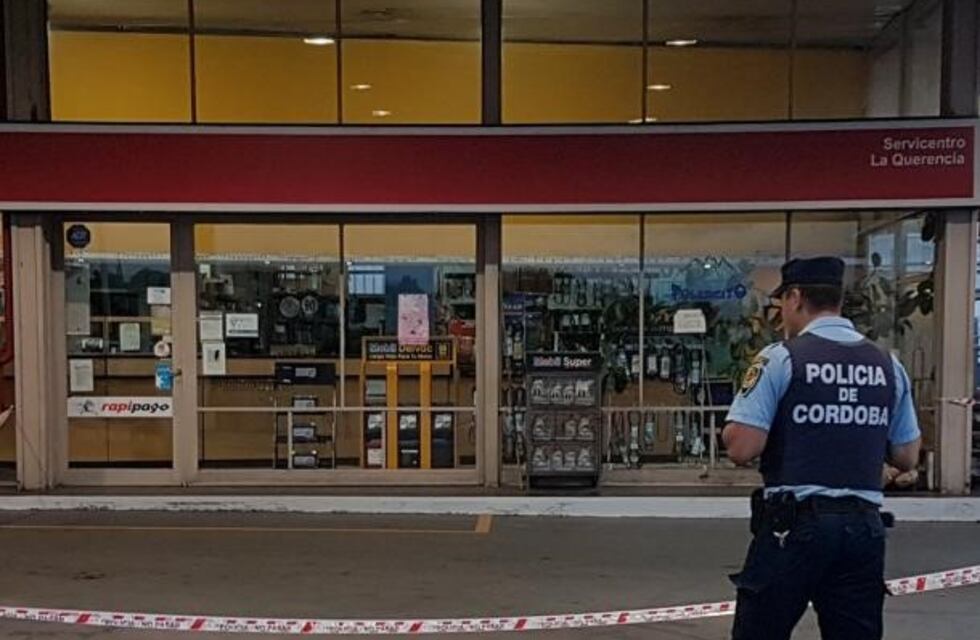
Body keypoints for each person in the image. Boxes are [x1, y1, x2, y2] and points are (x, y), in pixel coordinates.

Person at [722, 256, 921, 640]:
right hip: (863, 530)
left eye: (782, 302)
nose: (781, 312)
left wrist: (731, 431)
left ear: (796, 297)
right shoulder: (886, 365)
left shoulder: (782, 358)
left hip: (793, 530)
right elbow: (907, 455)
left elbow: (742, 447)